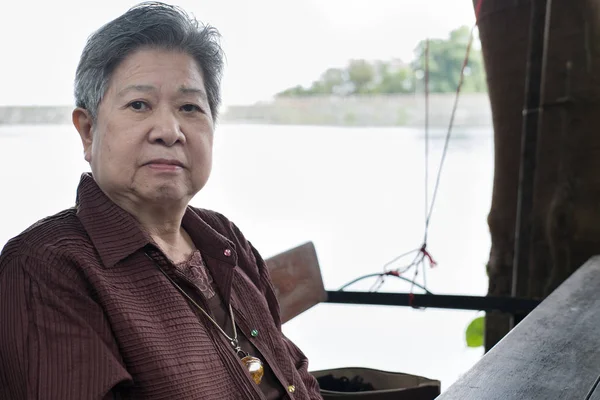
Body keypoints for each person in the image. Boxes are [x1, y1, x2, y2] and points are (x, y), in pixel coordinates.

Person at [0, 2, 322, 399]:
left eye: (190, 107)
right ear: (88, 131)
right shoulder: (45, 269)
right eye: (139, 105)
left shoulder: (223, 239)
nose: (169, 131)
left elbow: (295, 374)